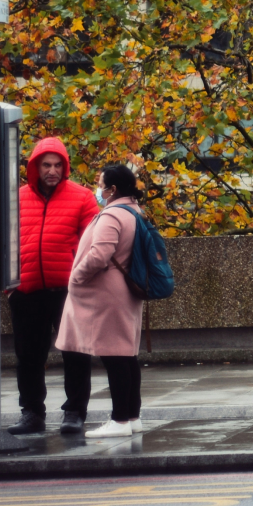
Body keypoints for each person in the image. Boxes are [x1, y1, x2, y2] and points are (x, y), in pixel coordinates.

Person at [6, 138, 97, 436]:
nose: (52, 170)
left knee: (75, 353)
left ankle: (74, 411)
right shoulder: (15, 198)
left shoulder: (82, 197)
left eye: (58, 165)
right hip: (27, 292)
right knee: (29, 356)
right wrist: (11, 287)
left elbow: (94, 244)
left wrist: (84, 283)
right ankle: (32, 412)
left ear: (65, 166)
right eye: (46, 165)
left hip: (70, 292)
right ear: (35, 167)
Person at [55, 164, 147, 438]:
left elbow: (99, 254)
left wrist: (76, 277)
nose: (99, 188)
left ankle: (119, 420)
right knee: (127, 356)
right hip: (124, 293)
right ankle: (131, 417)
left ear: (113, 189)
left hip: (107, 295)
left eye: (101, 183)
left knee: (114, 357)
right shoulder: (134, 211)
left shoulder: (112, 215)